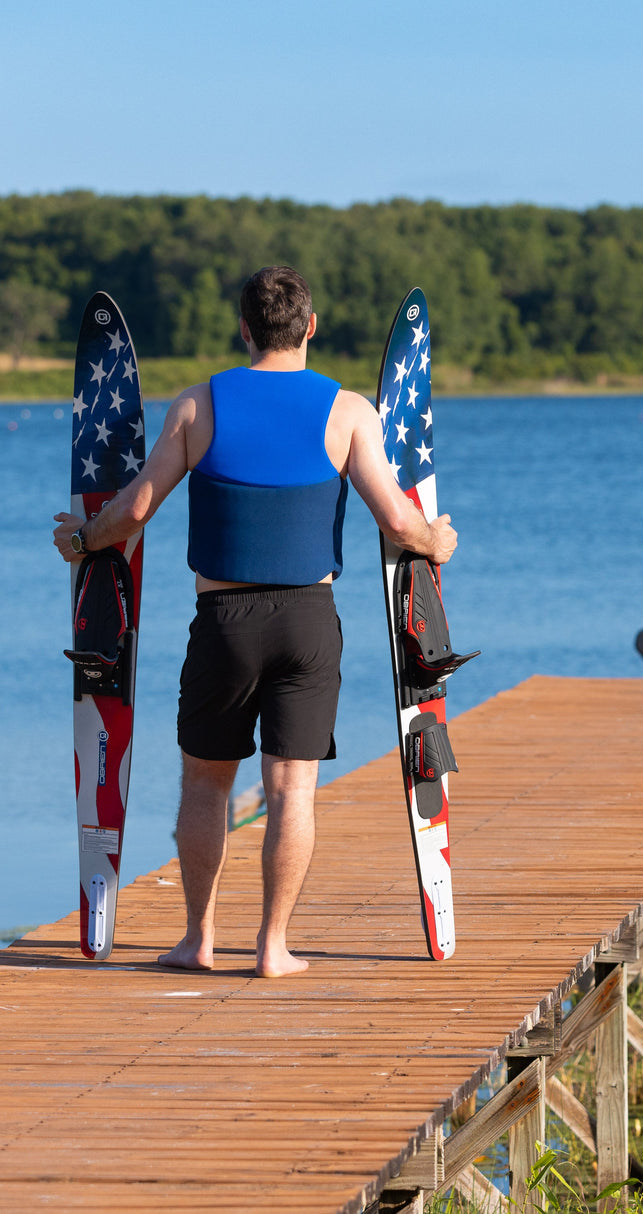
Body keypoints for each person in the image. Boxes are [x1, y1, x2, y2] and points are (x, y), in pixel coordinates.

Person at [53, 266, 457, 977]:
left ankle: (198, 940)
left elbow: (135, 511)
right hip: (309, 620)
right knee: (291, 788)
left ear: (245, 328)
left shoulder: (195, 406)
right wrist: (436, 541)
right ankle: (273, 948)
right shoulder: (350, 412)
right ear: (309, 326)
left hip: (224, 622)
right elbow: (397, 519)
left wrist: (84, 541)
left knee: (206, 785)